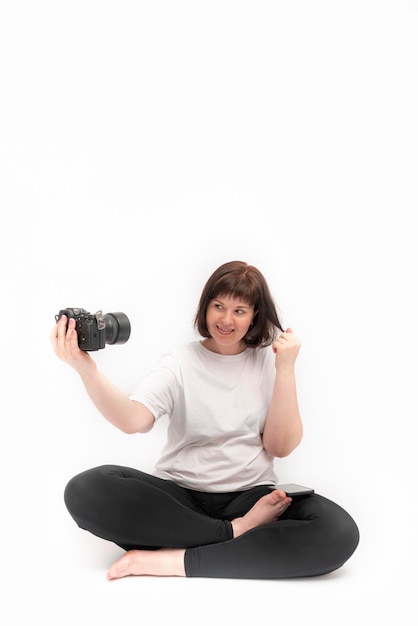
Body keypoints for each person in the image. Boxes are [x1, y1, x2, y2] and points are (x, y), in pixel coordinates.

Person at [50, 260, 359, 580]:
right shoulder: (180, 362)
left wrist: (285, 369)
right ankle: (231, 535)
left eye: (240, 311)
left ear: (255, 315)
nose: (226, 320)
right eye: (218, 306)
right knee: (85, 489)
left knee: (339, 532)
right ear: (205, 307)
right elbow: (133, 420)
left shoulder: (270, 362)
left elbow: (280, 446)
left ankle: (170, 560)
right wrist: (85, 369)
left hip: (252, 498)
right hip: (179, 503)